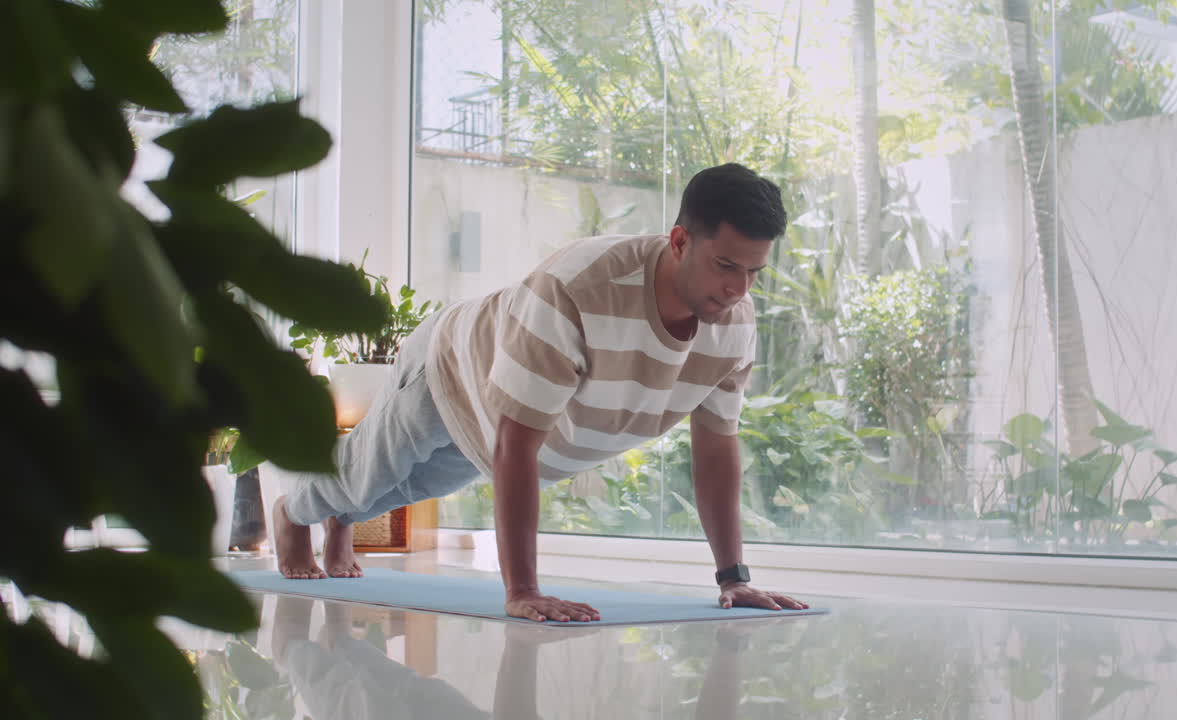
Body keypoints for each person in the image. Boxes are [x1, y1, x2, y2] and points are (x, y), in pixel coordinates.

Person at [273, 162, 810, 622]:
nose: (738, 289)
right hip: (452, 368)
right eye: (725, 266)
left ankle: (341, 517)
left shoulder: (734, 323)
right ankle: (294, 514)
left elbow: (716, 451)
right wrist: (522, 591)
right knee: (371, 473)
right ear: (679, 241)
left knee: (407, 490)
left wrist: (732, 578)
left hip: (506, 424)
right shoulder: (579, 286)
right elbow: (516, 443)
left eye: (753, 272)